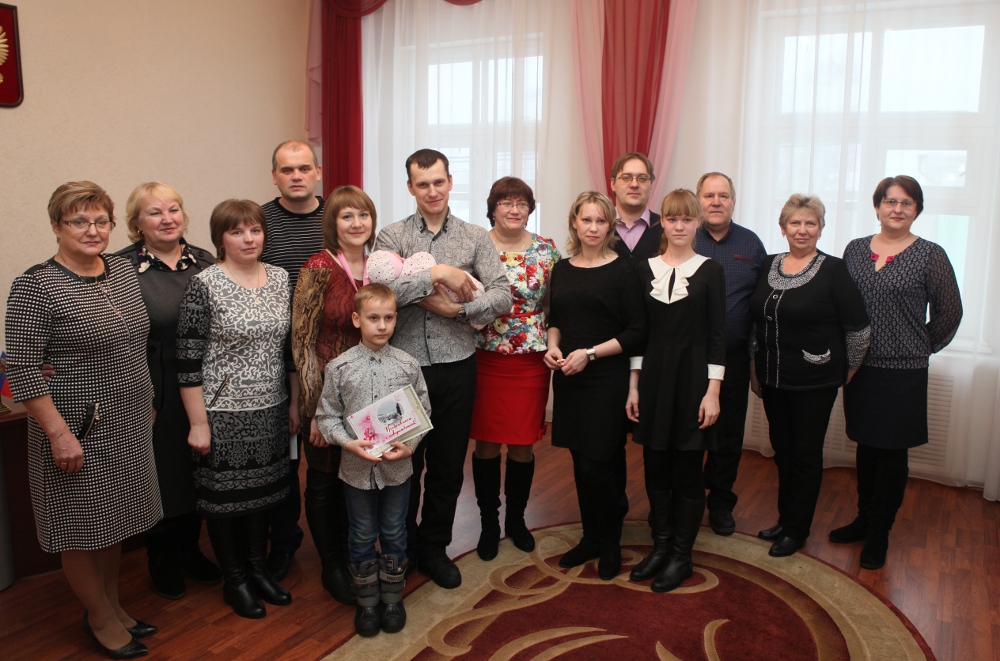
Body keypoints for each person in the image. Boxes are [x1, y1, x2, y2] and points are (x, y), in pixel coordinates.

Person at [5, 181, 161, 659]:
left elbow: (135, 343)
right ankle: (99, 619)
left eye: (100, 221)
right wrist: (59, 434)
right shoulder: (36, 285)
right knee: (80, 527)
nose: (92, 230)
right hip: (76, 428)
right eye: (78, 221)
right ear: (56, 226)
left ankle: (113, 606)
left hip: (128, 419)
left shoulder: (121, 270)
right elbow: (23, 368)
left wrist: (146, 400)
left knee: (112, 521)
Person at [373, 148, 511, 589]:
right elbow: (381, 291)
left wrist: (458, 311)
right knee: (403, 466)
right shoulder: (392, 236)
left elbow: (503, 294)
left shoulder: (475, 237)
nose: (432, 191)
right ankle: (401, 548)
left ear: (450, 182)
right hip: (403, 371)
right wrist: (440, 274)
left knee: (448, 468)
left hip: (457, 367)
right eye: (422, 184)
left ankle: (434, 548)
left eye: (438, 182)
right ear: (410, 187)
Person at [831, 176, 963, 570]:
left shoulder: (930, 255)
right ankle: (863, 518)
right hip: (860, 368)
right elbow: (842, 304)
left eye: (907, 203)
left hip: (903, 372)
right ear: (877, 207)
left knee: (892, 454)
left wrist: (919, 347)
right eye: (890, 201)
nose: (897, 209)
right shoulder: (855, 250)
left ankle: (879, 531)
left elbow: (950, 312)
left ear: (917, 210)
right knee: (866, 446)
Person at [177, 199, 300, 619]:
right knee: (225, 503)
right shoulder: (204, 284)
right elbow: (188, 361)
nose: (248, 239)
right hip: (222, 413)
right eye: (237, 232)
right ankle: (235, 581)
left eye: (255, 230)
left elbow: (288, 350)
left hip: (271, 408)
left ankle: (258, 571)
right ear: (220, 239)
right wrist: (198, 423)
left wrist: (294, 402)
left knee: (262, 497)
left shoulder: (280, 278)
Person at [114, 182, 221, 601]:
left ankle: (191, 550)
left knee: (197, 471)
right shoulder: (120, 269)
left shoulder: (205, 261)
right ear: (137, 222)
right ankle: (161, 557)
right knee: (162, 474)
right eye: (154, 212)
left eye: (173, 209)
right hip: (153, 390)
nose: (167, 219)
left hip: (204, 387)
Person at [749, 194, 870, 558]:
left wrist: (849, 369)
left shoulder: (834, 270)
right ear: (782, 227)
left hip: (815, 382)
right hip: (773, 379)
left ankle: (796, 531)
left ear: (820, 228)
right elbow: (756, 322)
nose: (802, 230)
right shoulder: (767, 264)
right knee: (783, 452)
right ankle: (785, 520)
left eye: (810, 223)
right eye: (795, 223)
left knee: (805, 456)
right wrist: (754, 367)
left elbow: (859, 328)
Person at [315, 284, 431, 637]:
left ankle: (392, 598)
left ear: (396, 319)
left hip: (398, 469)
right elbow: (327, 416)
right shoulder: (339, 367)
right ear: (357, 319)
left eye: (389, 318)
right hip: (355, 470)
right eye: (373, 318)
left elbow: (423, 411)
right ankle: (366, 601)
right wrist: (347, 443)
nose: (382, 326)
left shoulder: (408, 365)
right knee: (362, 532)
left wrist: (410, 446)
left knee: (395, 529)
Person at [626, 189, 726, 592]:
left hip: (693, 384)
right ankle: (661, 547)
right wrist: (634, 387)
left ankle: (682, 556)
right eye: (672, 218)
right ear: (662, 223)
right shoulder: (643, 269)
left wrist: (713, 391)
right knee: (655, 467)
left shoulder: (711, 270)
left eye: (687, 219)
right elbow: (639, 334)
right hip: (653, 381)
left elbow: (717, 336)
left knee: (687, 470)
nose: (680, 226)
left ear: (697, 222)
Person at [545, 191, 645, 580]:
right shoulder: (562, 268)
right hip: (569, 376)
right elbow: (556, 320)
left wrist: (590, 353)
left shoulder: (624, 269)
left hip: (606, 377)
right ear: (574, 222)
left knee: (600, 461)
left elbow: (636, 331)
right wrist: (553, 347)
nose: (593, 227)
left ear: (610, 226)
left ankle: (610, 542)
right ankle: (590, 537)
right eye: (586, 220)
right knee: (579, 460)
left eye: (601, 221)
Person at [291, 185, 377, 605]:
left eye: (363, 215)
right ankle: (331, 566)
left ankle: (354, 554)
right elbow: (302, 343)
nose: (357, 223)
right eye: (347, 216)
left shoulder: (381, 266)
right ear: (333, 223)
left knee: (357, 479)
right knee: (324, 483)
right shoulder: (319, 267)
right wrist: (315, 410)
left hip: (370, 395)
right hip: (326, 395)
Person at [470, 177, 560, 561]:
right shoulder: (476, 246)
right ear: (492, 208)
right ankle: (489, 524)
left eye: (521, 203)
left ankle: (516, 520)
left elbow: (555, 304)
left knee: (523, 442)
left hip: (530, 359)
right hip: (484, 355)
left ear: (529, 209)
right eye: (506, 202)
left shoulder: (546, 250)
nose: (514, 209)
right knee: (487, 442)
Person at [260, 139, 325, 580]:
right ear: (274, 176)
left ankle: (335, 543)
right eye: (287, 169)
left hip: (331, 357)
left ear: (317, 172)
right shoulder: (260, 223)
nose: (296, 176)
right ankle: (283, 542)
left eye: (304, 168)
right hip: (274, 363)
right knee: (283, 462)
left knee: (327, 459)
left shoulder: (337, 217)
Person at [695, 172, 767, 536]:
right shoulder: (685, 237)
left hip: (735, 357)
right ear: (699, 201)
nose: (716, 202)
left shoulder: (751, 243)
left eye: (723, 195)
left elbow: (762, 305)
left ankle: (721, 502)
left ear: (733, 202)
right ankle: (689, 499)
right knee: (691, 430)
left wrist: (755, 361)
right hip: (691, 358)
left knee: (728, 434)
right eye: (709, 195)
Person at [610, 152, 663, 262]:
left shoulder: (666, 227)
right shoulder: (599, 228)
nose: (634, 184)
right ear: (613, 184)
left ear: (651, 185)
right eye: (626, 178)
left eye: (642, 178)